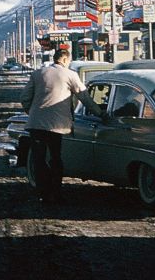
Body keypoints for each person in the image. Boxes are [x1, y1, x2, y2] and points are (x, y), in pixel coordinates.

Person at [20, 48, 108, 204]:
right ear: (66, 60)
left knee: (39, 159)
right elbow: (84, 97)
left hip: (36, 124)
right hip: (57, 125)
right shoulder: (70, 75)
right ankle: (56, 192)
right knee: (55, 159)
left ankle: (43, 193)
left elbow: (25, 98)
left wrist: (33, 113)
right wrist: (100, 113)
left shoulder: (38, 74)